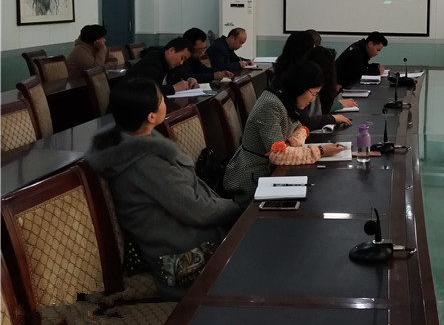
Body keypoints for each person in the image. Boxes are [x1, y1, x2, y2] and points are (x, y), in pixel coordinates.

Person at [86, 78, 241, 299]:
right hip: (183, 255)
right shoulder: (146, 164)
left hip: (188, 234)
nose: (164, 101)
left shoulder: (134, 144)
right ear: (151, 117)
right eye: (161, 99)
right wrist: (239, 207)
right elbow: (196, 209)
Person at [223, 60, 346, 207]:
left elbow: (300, 129)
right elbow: (278, 155)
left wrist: (288, 144)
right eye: (313, 94)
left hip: (270, 173)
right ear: (301, 87)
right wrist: (320, 151)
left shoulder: (287, 99)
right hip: (253, 180)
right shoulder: (271, 105)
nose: (313, 100)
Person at [300, 46, 353, 130]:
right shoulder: (303, 87)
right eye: (313, 94)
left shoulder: (322, 88)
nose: (313, 99)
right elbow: (304, 122)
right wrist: (332, 118)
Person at [125, 36, 196, 95]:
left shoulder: (171, 63)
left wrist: (189, 80)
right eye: (182, 58)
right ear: (171, 51)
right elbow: (147, 89)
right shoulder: (152, 62)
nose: (181, 63)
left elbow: (181, 75)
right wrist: (174, 88)